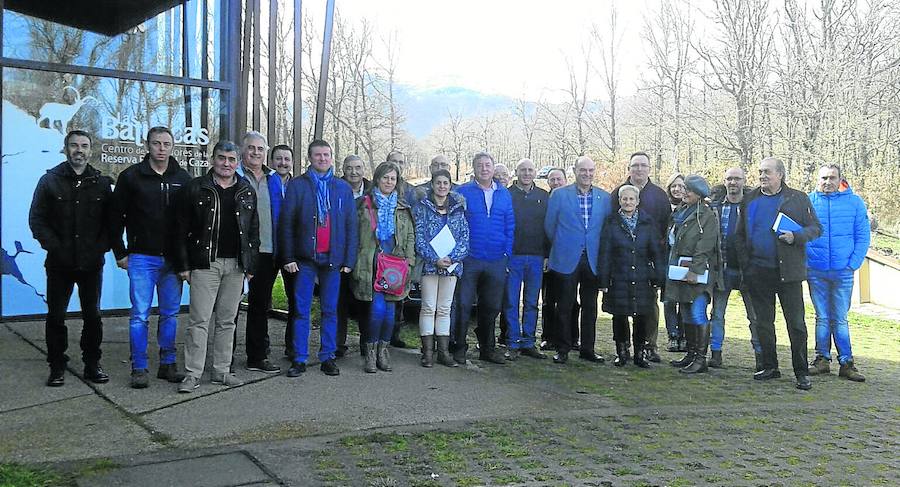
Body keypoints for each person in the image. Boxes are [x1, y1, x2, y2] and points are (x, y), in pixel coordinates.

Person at [29, 130, 114, 387]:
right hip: (59, 264)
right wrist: (55, 247)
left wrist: (99, 248)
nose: (79, 150)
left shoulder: (101, 183)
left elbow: (111, 223)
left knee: (93, 316)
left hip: (91, 264)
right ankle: (56, 366)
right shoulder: (49, 181)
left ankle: (92, 364)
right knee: (56, 316)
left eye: (84, 146)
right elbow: (37, 220)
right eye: (74, 145)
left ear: (91, 150)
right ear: (66, 148)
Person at [174, 141, 259, 392]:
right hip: (204, 263)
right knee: (198, 320)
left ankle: (221, 371)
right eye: (222, 158)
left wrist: (250, 265)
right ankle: (192, 374)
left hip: (235, 265)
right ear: (213, 159)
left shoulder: (246, 190)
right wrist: (184, 265)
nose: (226, 164)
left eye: (231, 160)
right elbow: (179, 229)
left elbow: (254, 230)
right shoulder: (196, 188)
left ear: (237, 162)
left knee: (227, 320)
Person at [110, 126, 191, 388]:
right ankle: (139, 367)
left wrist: (186, 259)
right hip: (142, 258)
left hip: (172, 260)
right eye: (156, 143)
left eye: (166, 143)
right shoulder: (131, 177)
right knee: (139, 315)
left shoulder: (183, 178)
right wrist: (120, 253)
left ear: (173, 146)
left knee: (170, 314)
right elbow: (115, 218)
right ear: (148, 145)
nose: (161, 148)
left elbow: (191, 221)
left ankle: (168, 364)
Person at [734, 157, 821, 390]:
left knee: (796, 324)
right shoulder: (750, 199)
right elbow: (739, 236)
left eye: (767, 172)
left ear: (780, 175)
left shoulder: (797, 198)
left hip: (788, 273)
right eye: (760, 172)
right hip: (758, 272)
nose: (762, 176)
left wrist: (797, 237)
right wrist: (747, 265)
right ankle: (770, 366)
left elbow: (816, 228)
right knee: (763, 323)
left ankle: (801, 372)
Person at [279, 140, 358, 377]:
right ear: (310, 158)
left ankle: (328, 356)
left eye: (326, 155)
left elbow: (351, 226)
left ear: (332, 158)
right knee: (302, 310)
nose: (322, 159)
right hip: (304, 259)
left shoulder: (341, 188)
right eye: (318, 155)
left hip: (333, 260)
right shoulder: (298, 185)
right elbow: (286, 223)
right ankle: (300, 358)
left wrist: (348, 260)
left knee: (330, 310)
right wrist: (288, 256)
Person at [545, 156, 611, 364]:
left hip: (592, 259)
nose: (587, 174)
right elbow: (550, 226)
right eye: (583, 170)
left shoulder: (604, 198)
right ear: (574, 171)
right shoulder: (559, 195)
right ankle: (563, 348)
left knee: (590, 307)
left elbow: (605, 229)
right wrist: (564, 244)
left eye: (591, 170)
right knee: (565, 305)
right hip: (566, 258)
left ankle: (588, 349)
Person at [806, 164, 869, 382]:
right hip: (816, 270)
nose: (827, 182)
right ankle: (821, 359)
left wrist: (853, 263)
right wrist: (808, 259)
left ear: (841, 179)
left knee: (840, 319)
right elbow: (800, 232)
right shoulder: (809, 202)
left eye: (832, 178)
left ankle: (847, 362)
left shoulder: (854, 203)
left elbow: (862, 235)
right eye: (823, 177)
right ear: (817, 179)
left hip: (843, 271)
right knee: (822, 317)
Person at [352, 162, 416, 373]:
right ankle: (370, 352)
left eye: (393, 179)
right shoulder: (364, 204)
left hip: (395, 268)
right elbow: (354, 234)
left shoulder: (402, 208)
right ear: (377, 179)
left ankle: (383, 350)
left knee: (390, 313)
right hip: (371, 265)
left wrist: (409, 260)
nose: (389, 182)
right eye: (385, 178)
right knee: (377, 310)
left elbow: (409, 236)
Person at [453, 152, 515, 365]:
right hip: (470, 258)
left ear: (493, 168)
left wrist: (506, 252)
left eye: (488, 165)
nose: (484, 168)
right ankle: (458, 347)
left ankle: (487, 348)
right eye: (480, 165)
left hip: (497, 259)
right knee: (462, 304)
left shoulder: (504, 194)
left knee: (491, 306)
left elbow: (510, 225)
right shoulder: (462, 193)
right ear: (474, 169)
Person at [611, 152, 671, 362]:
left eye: (643, 165)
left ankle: (649, 346)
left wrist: (658, 264)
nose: (639, 169)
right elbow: (611, 223)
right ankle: (624, 347)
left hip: (647, 263)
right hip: (621, 265)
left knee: (648, 308)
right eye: (635, 165)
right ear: (629, 168)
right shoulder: (617, 193)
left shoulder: (659, 195)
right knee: (621, 308)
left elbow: (665, 225)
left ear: (649, 168)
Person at [598, 185, 665, 367]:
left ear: (637, 201)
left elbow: (656, 252)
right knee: (619, 316)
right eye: (624, 199)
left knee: (641, 316)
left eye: (631, 199)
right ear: (619, 201)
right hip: (618, 276)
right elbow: (605, 253)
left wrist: (659, 278)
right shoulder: (611, 222)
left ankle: (639, 354)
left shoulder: (647, 222)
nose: (628, 202)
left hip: (642, 276)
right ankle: (621, 351)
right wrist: (603, 281)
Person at [665, 175, 721, 375]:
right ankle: (690, 353)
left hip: (697, 273)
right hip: (680, 270)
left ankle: (700, 359)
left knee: (697, 312)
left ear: (698, 194)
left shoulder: (706, 215)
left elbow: (705, 246)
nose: (683, 192)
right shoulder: (680, 212)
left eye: (687, 189)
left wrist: (694, 271)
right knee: (686, 312)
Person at [413, 169, 469, 367]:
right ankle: (427, 352)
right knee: (428, 307)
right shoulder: (422, 207)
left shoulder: (458, 208)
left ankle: (443, 352)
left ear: (450, 185)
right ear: (433, 184)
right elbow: (419, 237)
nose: (442, 186)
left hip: (451, 267)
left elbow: (464, 237)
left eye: (446, 183)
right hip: (430, 266)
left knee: (444, 309)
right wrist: (434, 258)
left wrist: (452, 258)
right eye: (438, 183)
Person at [237, 131, 281, 374]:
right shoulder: (234, 175)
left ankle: (257, 356)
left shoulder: (273, 179)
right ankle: (225, 358)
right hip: (239, 252)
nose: (255, 153)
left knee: (259, 306)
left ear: (266, 152)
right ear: (243, 151)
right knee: (230, 307)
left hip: (267, 251)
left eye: (260, 149)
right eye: (251, 148)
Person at [708, 168, 761, 369]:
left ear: (744, 181)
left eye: (737, 179)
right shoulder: (716, 207)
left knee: (754, 316)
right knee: (718, 313)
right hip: (723, 268)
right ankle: (716, 353)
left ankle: (760, 355)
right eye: (729, 179)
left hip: (747, 269)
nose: (733, 182)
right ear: (724, 181)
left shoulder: (752, 206)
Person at [504, 158, 549, 360]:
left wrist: (547, 254)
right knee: (511, 301)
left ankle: (529, 342)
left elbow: (549, 228)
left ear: (535, 173)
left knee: (532, 302)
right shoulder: (507, 195)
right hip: (513, 256)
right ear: (516, 172)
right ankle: (512, 342)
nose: (527, 173)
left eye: (531, 170)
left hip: (537, 256)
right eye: (523, 170)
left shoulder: (544, 196)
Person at [338, 154, 371, 357]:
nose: (354, 172)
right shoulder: (336, 188)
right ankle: (338, 345)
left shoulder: (372, 192)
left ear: (363, 169)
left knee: (365, 302)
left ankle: (366, 345)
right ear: (343, 169)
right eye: (349, 168)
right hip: (340, 254)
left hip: (366, 255)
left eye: (358, 167)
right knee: (339, 301)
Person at [267, 145, 298, 360]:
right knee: (260, 302)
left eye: (287, 159)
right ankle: (261, 349)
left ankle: (293, 347)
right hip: (267, 249)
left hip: (292, 251)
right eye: (278, 158)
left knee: (295, 301)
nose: (283, 163)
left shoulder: (299, 185)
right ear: (271, 161)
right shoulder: (266, 182)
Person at [540, 167, 569, 350]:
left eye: (559, 179)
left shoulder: (571, 199)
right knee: (548, 299)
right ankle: (548, 336)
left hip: (568, 257)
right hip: (549, 257)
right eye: (552, 180)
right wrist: (545, 255)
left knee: (570, 300)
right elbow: (543, 230)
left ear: (565, 180)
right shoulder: (544, 200)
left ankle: (571, 337)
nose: (556, 183)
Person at [663, 173, 686, 353]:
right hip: (667, 256)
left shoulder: (693, 207)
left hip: (685, 257)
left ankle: (683, 335)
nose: (677, 189)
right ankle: (673, 335)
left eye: (680, 186)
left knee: (684, 298)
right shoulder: (665, 208)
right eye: (673, 186)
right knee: (669, 300)